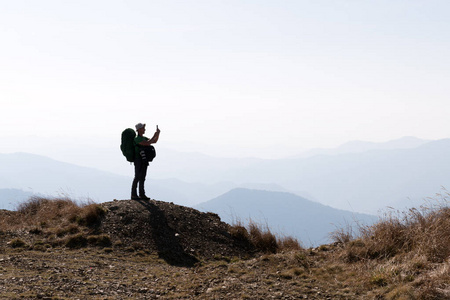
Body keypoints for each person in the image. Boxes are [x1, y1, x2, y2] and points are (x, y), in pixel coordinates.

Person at [131, 123, 160, 200]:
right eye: (143, 128)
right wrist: (154, 135)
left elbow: (154, 141)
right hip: (138, 159)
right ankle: (134, 194)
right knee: (137, 176)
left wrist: (157, 134)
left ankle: (142, 194)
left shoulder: (143, 138)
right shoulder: (137, 138)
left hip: (144, 159)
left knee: (142, 177)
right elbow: (147, 143)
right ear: (139, 129)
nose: (144, 129)